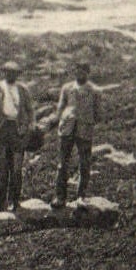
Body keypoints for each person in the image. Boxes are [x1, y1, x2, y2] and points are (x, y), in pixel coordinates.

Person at [0, 59, 34, 212]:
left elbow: (30, 110)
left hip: (17, 131)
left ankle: (15, 201)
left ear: (17, 74)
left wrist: (30, 129)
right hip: (1, 130)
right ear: (4, 72)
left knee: (17, 169)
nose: (10, 75)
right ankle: (0, 202)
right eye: (7, 72)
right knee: (2, 169)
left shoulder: (23, 89)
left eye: (13, 73)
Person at [52, 59, 101, 207]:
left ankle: (81, 196)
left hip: (85, 130)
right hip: (67, 129)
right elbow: (60, 107)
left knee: (84, 164)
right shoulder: (67, 88)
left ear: (88, 73)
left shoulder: (94, 91)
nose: (80, 73)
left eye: (83, 70)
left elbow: (98, 113)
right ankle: (60, 197)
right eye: (77, 70)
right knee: (62, 164)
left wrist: (87, 122)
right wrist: (61, 120)